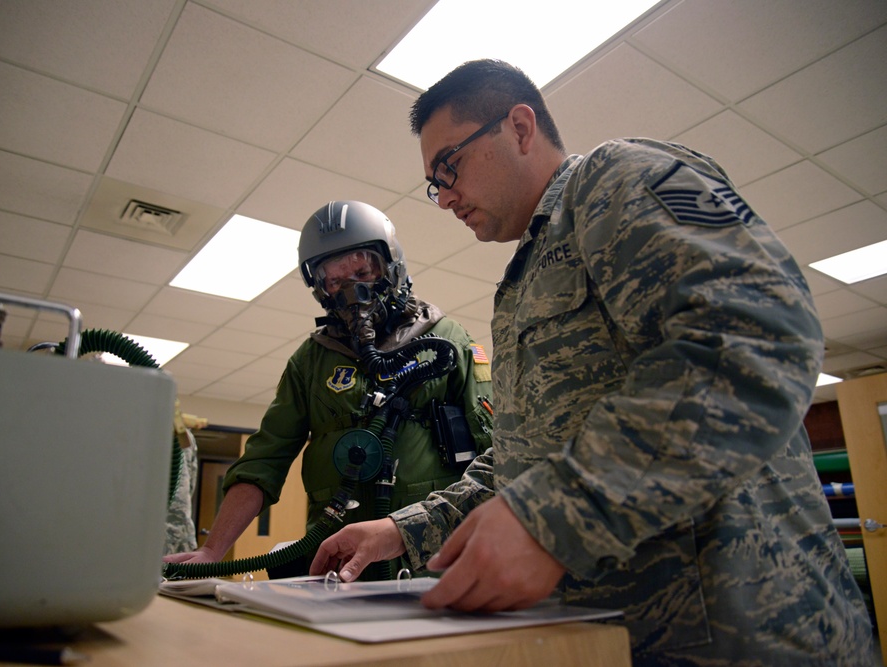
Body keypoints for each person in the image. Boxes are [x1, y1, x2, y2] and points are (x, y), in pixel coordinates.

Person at [309, 60, 875, 665]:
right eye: (434, 183)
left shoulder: (616, 180)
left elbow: (754, 335)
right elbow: (527, 461)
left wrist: (552, 517)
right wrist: (403, 530)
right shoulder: (522, 282)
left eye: (449, 166)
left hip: (747, 632)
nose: (444, 196)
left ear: (520, 128)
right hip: (615, 637)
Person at [163, 200, 493, 578]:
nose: (352, 290)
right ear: (320, 288)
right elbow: (262, 461)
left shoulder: (448, 342)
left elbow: (500, 454)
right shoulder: (311, 361)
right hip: (336, 564)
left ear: (391, 265)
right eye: (334, 280)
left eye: (362, 270)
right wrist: (212, 549)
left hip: (429, 558)